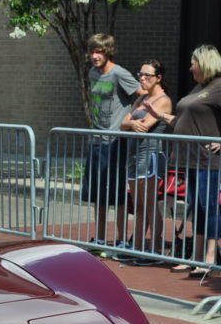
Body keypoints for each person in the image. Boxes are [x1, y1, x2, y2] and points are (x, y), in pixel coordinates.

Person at [146, 44, 221, 278]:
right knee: (195, 208)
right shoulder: (200, 87)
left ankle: (210, 256)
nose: (190, 68)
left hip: (208, 159)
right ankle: (196, 256)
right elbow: (184, 121)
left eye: (193, 63)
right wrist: (162, 116)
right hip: (188, 159)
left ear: (205, 62)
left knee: (208, 207)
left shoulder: (219, 86)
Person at [83, 34, 140, 250]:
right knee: (98, 192)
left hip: (116, 141)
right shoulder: (92, 73)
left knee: (117, 192)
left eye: (100, 52)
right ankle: (98, 238)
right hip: (97, 140)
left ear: (108, 52)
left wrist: (130, 118)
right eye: (93, 52)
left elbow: (142, 94)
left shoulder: (119, 73)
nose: (96, 56)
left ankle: (122, 240)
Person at [118, 59, 171, 265]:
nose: (142, 78)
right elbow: (125, 124)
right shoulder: (141, 99)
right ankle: (138, 246)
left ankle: (154, 249)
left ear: (158, 78)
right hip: (133, 155)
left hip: (149, 155)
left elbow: (146, 125)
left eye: (147, 75)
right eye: (140, 74)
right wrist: (131, 122)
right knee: (138, 204)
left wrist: (131, 124)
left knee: (149, 203)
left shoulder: (163, 100)